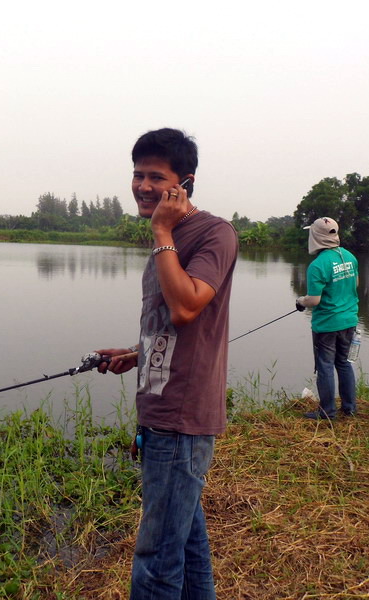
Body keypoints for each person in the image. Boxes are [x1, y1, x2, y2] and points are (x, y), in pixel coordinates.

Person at [97, 128, 238, 599]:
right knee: (188, 544)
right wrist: (135, 354)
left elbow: (187, 307)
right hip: (160, 409)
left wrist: (160, 232)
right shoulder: (173, 237)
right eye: (137, 175)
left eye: (156, 177)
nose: (142, 186)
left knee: (157, 561)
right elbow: (175, 328)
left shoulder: (214, 234)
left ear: (185, 184)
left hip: (182, 418)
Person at [295, 217, 359, 419]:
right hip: (349, 321)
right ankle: (349, 408)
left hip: (327, 325)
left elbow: (313, 300)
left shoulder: (318, 265)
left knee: (325, 366)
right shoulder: (349, 257)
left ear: (315, 236)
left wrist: (300, 301)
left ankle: (327, 411)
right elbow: (355, 284)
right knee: (343, 363)